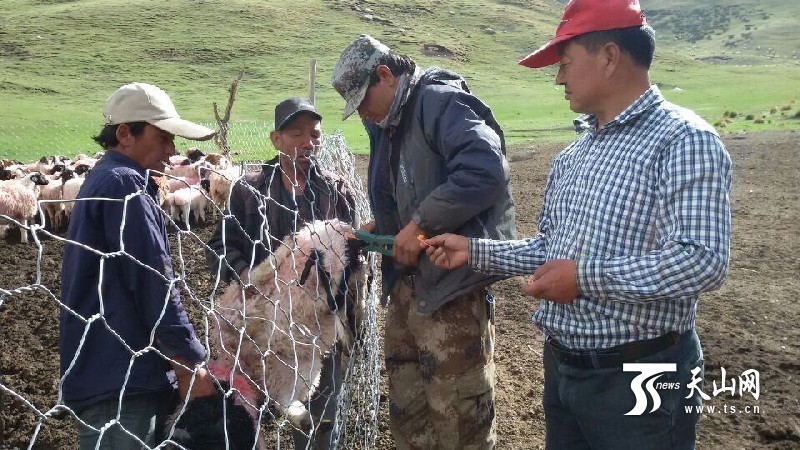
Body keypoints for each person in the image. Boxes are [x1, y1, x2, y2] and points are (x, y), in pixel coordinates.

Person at [424, 1, 732, 449]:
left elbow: (702, 261)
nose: (558, 78)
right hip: (564, 368)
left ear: (609, 56)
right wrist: (473, 250)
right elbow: (552, 250)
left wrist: (584, 279)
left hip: (642, 374)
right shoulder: (574, 158)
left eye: (565, 64)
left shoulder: (685, 141)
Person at [331, 35, 516, 449]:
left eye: (362, 100)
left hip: (450, 293)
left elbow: (484, 170)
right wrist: (387, 221)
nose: (362, 112)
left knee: (459, 420)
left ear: (385, 75)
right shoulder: (387, 123)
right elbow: (411, 185)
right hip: (405, 289)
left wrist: (419, 225)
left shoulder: (439, 102)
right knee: (408, 414)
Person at [59, 82, 217, 449]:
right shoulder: (125, 185)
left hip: (112, 367)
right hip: (121, 377)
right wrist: (189, 360)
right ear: (125, 133)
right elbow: (153, 282)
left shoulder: (107, 180)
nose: (171, 149)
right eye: (163, 137)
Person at [205, 97, 355, 449]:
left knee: (320, 404)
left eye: (315, 134)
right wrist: (245, 275)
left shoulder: (334, 190)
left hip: (318, 321)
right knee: (249, 399)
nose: (308, 141)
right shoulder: (250, 190)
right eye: (296, 133)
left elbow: (351, 254)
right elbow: (219, 244)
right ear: (276, 139)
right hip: (261, 322)